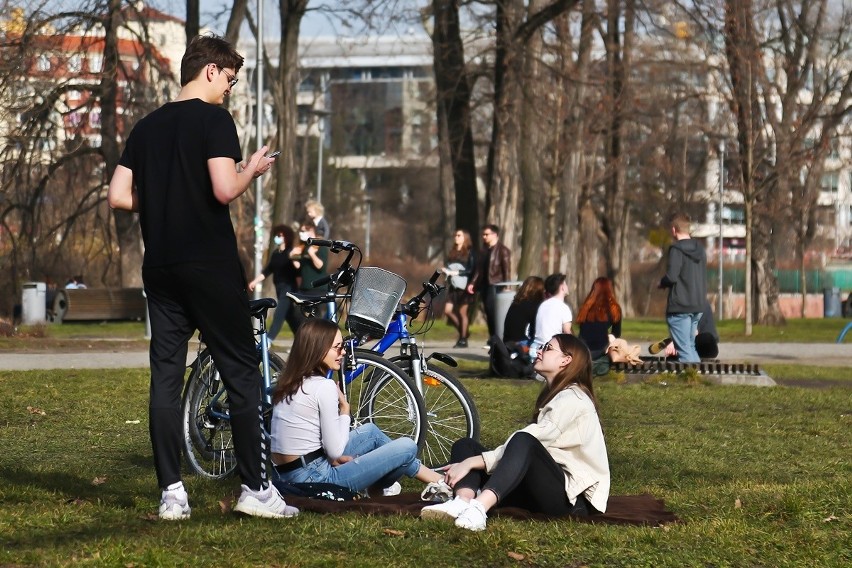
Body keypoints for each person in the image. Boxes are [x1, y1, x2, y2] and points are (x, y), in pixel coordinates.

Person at [107, 34, 297, 520]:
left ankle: (172, 493)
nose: (230, 88)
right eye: (230, 79)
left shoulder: (146, 127)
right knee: (241, 372)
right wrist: (249, 170)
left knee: (166, 380)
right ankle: (256, 490)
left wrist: (167, 199)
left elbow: (118, 195)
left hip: (163, 267)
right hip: (209, 265)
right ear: (209, 71)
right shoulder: (215, 120)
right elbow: (222, 188)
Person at [420, 333, 610, 531]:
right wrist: (472, 459)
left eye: (548, 348)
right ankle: (462, 502)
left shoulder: (572, 399)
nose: (540, 351)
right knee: (465, 445)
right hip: (541, 488)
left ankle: (479, 509)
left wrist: (470, 462)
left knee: (523, 440)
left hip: (572, 501)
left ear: (566, 360)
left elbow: (527, 443)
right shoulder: (556, 394)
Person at [270, 318, 453, 498]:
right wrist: (344, 412)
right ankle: (380, 489)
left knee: (371, 432)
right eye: (337, 347)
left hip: (287, 474)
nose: (343, 352)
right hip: (316, 478)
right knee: (407, 447)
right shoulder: (323, 387)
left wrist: (333, 458)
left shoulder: (289, 382)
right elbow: (335, 450)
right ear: (318, 349)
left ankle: (438, 481)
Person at [659, 212, 708, 363]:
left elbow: (672, 276)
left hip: (680, 305)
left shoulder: (676, 250)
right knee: (690, 346)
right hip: (698, 304)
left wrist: (662, 283)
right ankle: (697, 378)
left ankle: (692, 381)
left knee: (684, 348)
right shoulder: (700, 249)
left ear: (674, 230)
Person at [248, 224, 301, 341]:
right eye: (277, 235)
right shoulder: (275, 254)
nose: (278, 238)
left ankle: (268, 339)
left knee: (279, 314)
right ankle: (302, 338)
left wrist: (293, 258)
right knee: (290, 316)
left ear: (287, 237)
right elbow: (267, 271)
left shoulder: (291, 252)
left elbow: (298, 270)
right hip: (279, 288)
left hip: (289, 288)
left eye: (280, 235)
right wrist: (254, 282)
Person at [466, 224, 512, 343]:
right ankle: (492, 337)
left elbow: (506, 270)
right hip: (485, 285)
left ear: (495, 235)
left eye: (487, 234)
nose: (484, 237)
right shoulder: (484, 251)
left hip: (496, 285)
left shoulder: (503, 251)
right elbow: (478, 269)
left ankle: (498, 337)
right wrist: (472, 283)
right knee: (488, 312)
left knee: (494, 312)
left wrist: (506, 286)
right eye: (483, 234)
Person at [649, 299, 719, 359]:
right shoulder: (689, 303)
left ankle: (672, 340)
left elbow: (694, 331)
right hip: (695, 343)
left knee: (677, 352)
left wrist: (675, 344)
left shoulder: (700, 303)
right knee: (673, 355)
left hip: (706, 344)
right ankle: (672, 340)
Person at [442, 229, 476, 348]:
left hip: (464, 286)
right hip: (453, 285)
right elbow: (448, 265)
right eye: (455, 235)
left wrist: (457, 273)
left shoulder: (469, 252)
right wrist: (446, 271)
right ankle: (464, 332)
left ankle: (463, 339)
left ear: (465, 237)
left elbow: (471, 269)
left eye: (459, 235)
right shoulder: (452, 252)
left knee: (462, 312)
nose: (456, 237)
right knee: (448, 310)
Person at [575, 277, 623, 360]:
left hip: (582, 349)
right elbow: (616, 333)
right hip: (599, 349)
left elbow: (584, 330)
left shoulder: (585, 307)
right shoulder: (614, 308)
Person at [533, 274, 573, 356]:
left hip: (536, 348)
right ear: (562, 287)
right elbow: (567, 333)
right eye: (565, 284)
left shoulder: (543, 305)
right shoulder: (563, 308)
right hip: (550, 350)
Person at [503, 276, 545, 350]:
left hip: (508, 342)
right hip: (521, 345)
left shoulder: (516, 303)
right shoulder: (535, 306)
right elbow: (537, 331)